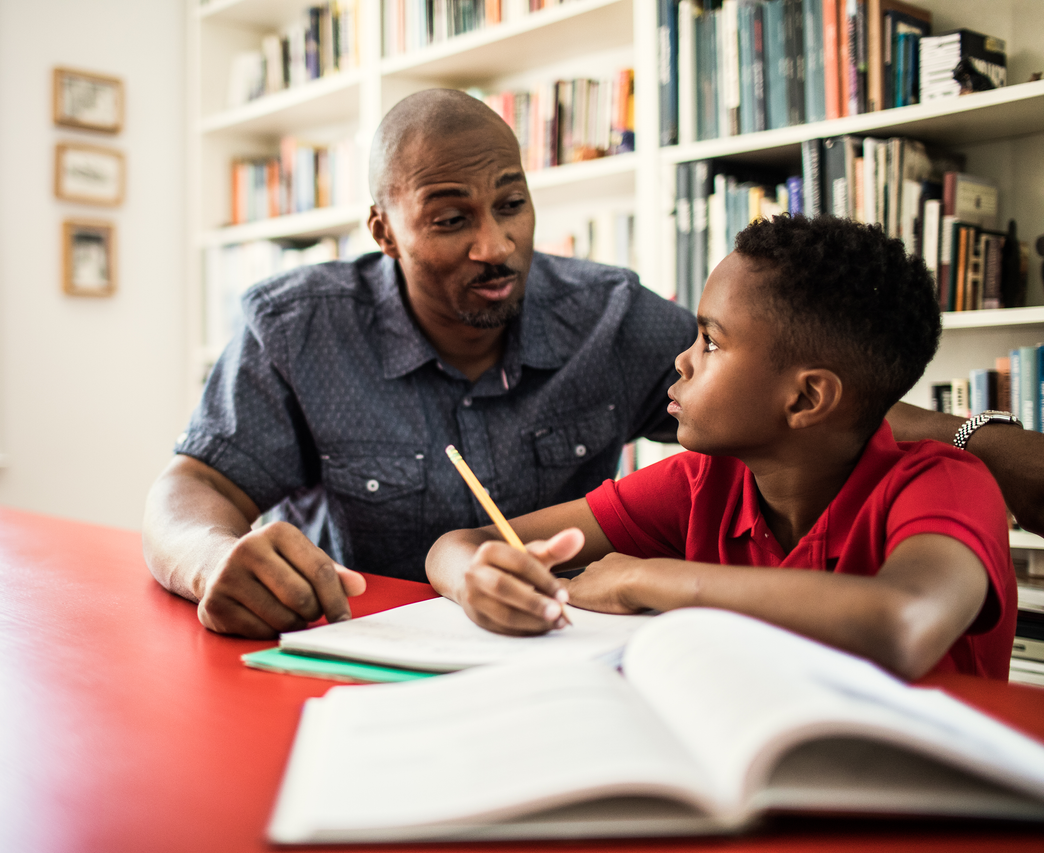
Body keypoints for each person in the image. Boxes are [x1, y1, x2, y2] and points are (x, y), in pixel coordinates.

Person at [145, 87, 1044, 641]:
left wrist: (985, 442)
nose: (496, 245)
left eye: (512, 204)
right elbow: (191, 491)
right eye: (452, 218)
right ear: (384, 230)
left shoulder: (611, 320)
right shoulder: (297, 325)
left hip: (558, 657)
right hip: (358, 653)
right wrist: (208, 561)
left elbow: (822, 405)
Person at [426, 215, 1016, 680]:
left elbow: (901, 624)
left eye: (710, 341)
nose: (681, 360)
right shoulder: (702, 483)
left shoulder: (948, 484)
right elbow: (460, 544)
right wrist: (473, 579)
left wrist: (647, 580)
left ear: (807, 399)